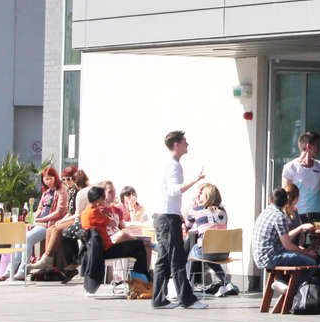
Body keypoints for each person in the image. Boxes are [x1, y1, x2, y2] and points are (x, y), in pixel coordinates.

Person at [153, 131, 207, 309]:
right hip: (168, 217)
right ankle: (186, 299)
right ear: (176, 144)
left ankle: (159, 299)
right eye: (184, 141)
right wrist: (195, 180)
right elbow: (174, 190)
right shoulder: (174, 166)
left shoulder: (168, 164)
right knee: (177, 259)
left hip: (165, 215)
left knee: (164, 259)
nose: (187, 144)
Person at [78, 186, 151, 295]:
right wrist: (106, 213)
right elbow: (113, 223)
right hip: (105, 249)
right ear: (98, 199)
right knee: (139, 246)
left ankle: (138, 281)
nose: (105, 199)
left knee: (136, 246)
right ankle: (139, 283)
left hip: (94, 249)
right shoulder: (95, 213)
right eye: (103, 197)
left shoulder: (85, 212)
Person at [1, 167, 66, 281]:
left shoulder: (61, 190)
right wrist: (32, 217)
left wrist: (42, 219)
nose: (48, 182)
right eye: (45, 179)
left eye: (50, 179)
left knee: (27, 239)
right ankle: (9, 271)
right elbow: (40, 209)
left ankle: (22, 271)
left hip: (49, 224)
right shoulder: (46, 192)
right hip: (39, 222)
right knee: (19, 238)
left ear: (55, 178)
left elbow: (59, 211)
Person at [26, 168, 89, 275]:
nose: (66, 182)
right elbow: (69, 212)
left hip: (81, 220)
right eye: (64, 179)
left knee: (56, 230)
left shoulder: (75, 191)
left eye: (69, 179)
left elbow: (75, 214)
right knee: (51, 229)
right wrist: (61, 220)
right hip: (71, 218)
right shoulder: (69, 191)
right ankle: (47, 262)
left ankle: (47, 259)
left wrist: (59, 220)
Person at [184, 183, 235, 297]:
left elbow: (188, 225)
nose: (198, 195)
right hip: (224, 252)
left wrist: (194, 207)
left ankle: (188, 285)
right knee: (210, 254)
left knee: (193, 252)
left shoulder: (197, 210)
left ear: (207, 196)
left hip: (207, 251)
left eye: (201, 193)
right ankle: (226, 282)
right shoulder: (223, 211)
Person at [252, 187, 319, 272]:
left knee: (299, 257)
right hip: (271, 258)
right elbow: (288, 245)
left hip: (259, 258)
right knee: (311, 262)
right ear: (286, 202)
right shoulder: (279, 216)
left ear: (270, 200)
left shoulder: (264, 213)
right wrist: (306, 253)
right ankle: (299, 281)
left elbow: (285, 239)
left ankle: (282, 279)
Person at [281, 131, 320, 224]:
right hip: (298, 214)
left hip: (317, 214)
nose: (319, 148)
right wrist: (287, 213)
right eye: (317, 145)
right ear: (308, 146)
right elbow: (285, 192)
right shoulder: (290, 167)